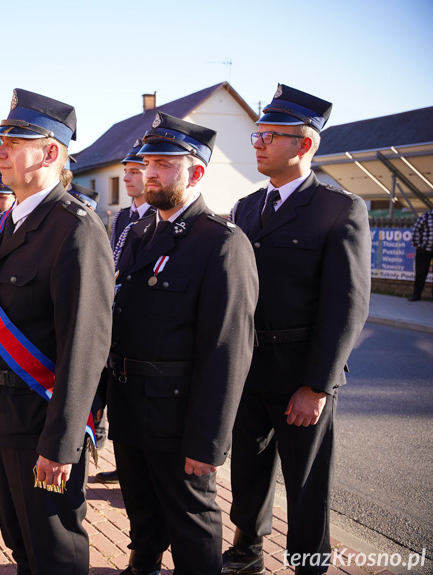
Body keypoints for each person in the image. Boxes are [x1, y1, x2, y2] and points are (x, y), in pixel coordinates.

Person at [223, 85, 371, 575]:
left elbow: (347, 305)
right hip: (249, 369)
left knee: (306, 479)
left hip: (300, 372)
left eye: (271, 135)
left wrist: (317, 385)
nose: (259, 143)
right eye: (257, 134)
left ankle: (310, 563)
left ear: (304, 145)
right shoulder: (245, 208)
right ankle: (246, 550)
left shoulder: (338, 208)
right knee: (247, 470)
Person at [0, 89, 114, 574]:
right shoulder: (6, 224)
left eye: (13, 141)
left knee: (55, 551)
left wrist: (62, 443)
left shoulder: (76, 229)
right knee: (21, 545)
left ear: (51, 152)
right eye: (1, 140)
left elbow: (85, 349)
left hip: (40, 425)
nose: (0, 152)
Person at [107, 112, 258, 575]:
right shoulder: (139, 232)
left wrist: (208, 441)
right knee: (141, 508)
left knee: (192, 521)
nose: (150, 172)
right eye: (148, 161)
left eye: (165, 164)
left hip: (178, 415)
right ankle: (143, 564)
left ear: (196, 173)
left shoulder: (221, 242)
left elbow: (228, 352)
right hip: (131, 403)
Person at [94, 139, 158, 486]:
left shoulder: (156, 216)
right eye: (127, 172)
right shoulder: (122, 217)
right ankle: (123, 466)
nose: (130, 178)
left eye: (136, 171)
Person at [410, 208, 433, 301]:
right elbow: (416, 230)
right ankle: (416, 295)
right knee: (420, 273)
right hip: (425, 249)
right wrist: (418, 245)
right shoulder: (426, 216)